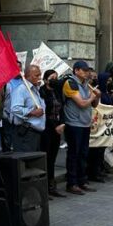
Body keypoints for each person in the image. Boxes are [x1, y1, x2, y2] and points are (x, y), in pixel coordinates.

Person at [61, 60, 99, 195]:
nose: (87, 72)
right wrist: (92, 97)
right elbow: (82, 103)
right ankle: (72, 183)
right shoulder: (70, 83)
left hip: (85, 123)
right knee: (74, 154)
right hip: (74, 124)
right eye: (84, 70)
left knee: (83, 153)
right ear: (76, 70)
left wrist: (96, 97)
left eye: (88, 70)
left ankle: (82, 180)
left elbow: (94, 105)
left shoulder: (86, 84)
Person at [39, 69, 65, 197]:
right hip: (47, 128)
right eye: (52, 78)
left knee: (53, 157)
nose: (55, 80)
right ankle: (44, 187)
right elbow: (44, 112)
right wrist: (55, 126)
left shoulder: (58, 91)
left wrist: (62, 124)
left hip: (58, 127)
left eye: (56, 77)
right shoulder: (41, 92)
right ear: (45, 80)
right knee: (46, 157)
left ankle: (52, 185)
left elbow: (62, 108)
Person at [8, 65, 45, 153]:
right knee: (27, 161)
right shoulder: (21, 89)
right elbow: (15, 108)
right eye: (36, 75)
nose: (39, 78)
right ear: (27, 76)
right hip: (27, 132)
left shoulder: (35, 89)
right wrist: (32, 112)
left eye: (40, 75)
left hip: (36, 132)